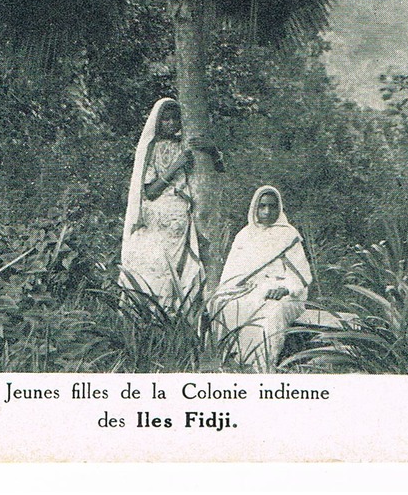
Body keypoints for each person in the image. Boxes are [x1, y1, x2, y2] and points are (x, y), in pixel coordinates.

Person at [120, 98, 223, 310]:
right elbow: (149, 191)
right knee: (153, 267)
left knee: (178, 269)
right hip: (157, 216)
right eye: (165, 119)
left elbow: (219, 172)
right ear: (157, 122)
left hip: (180, 216)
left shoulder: (186, 145)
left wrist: (213, 152)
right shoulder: (151, 149)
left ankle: (174, 313)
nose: (171, 123)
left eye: (176, 118)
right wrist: (175, 167)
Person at [211, 185, 311, 371]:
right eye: (262, 206)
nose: (267, 211)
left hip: (285, 294)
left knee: (272, 315)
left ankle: (262, 367)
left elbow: (301, 277)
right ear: (254, 208)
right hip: (251, 290)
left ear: (279, 208)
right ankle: (230, 362)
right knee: (222, 304)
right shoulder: (244, 235)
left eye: (272, 207)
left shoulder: (288, 235)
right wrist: (236, 286)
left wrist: (285, 289)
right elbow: (232, 273)